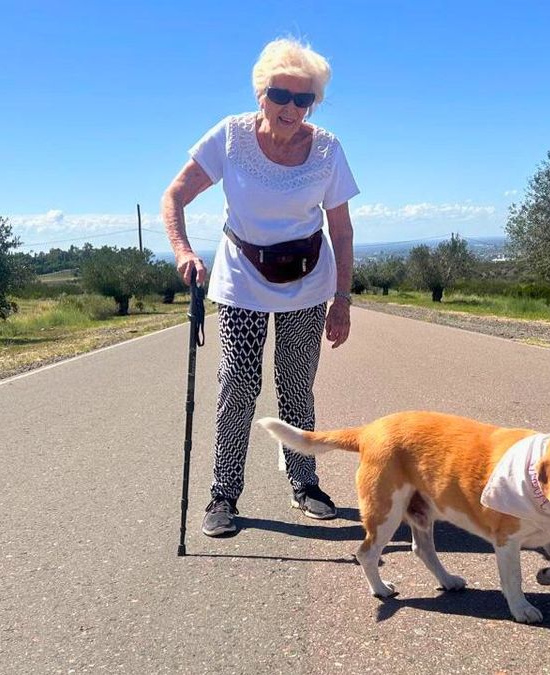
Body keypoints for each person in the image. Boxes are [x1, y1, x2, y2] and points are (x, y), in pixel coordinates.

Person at [162, 38, 359, 538]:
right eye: (281, 95)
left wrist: (342, 298)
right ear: (260, 95)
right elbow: (175, 195)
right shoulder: (230, 137)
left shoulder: (328, 149)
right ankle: (224, 493)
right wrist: (184, 251)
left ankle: (304, 482)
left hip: (308, 283)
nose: (291, 108)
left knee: (296, 388)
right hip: (242, 281)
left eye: (303, 99)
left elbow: (341, 230)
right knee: (238, 387)